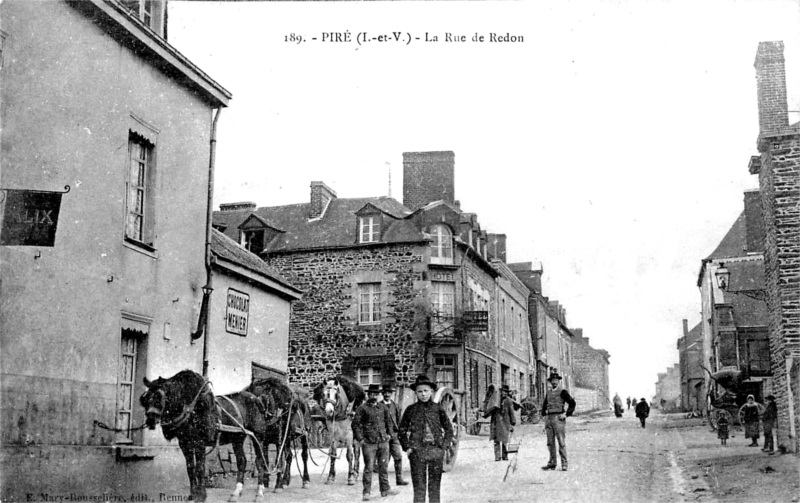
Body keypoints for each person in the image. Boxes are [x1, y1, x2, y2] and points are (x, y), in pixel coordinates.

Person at [398, 374, 454, 503]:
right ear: (416, 393)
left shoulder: (437, 409)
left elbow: (449, 429)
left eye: (426, 391)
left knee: (435, 488)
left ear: (431, 392)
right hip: (417, 452)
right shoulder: (411, 410)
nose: (423, 394)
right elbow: (401, 431)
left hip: (436, 451)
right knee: (419, 488)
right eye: (420, 392)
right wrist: (408, 448)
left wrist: (443, 447)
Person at [352, 384, 399, 501]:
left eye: (375, 394)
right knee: (369, 468)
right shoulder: (362, 408)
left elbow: (389, 422)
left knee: (383, 467)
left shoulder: (383, 408)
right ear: (368, 395)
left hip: (383, 442)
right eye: (371, 394)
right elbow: (355, 425)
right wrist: (361, 439)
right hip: (369, 443)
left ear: (378, 395)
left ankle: (385, 489)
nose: (373, 395)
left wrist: (389, 435)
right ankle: (366, 492)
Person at [540, 372, 576, 471]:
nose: (554, 382)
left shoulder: (563, 392)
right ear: (550, 382)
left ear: (558, 381)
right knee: (550, 442)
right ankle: (552, 463)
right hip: (549, 419)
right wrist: (544, 415)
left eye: (556, 380)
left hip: (558, 419)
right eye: (552, 380)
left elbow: (572, 403)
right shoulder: (548, 393)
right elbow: (544, 407)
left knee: (561, 441)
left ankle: (564, 463)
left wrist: (566, 414)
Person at [382, 384, 409, 485]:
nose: (387, 394)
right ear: (382, 394)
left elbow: (399, 421)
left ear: (392, 394)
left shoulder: (395, 406)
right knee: (384, 460)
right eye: (385, 393)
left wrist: (399, 433)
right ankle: (384, 483)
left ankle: (399, 479)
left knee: (398, 457)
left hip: (394, 437)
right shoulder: (379, 406)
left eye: (389, 393)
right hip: (384, 438)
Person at [490, 384, 516, 461]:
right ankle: (497, 456)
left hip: (505, 422)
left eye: (506, 392)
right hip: (496, 421)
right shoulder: (496, 400)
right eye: (503, 392)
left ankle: (505, 456)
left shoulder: (508, 401)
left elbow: (511, 412)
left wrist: (513, 422)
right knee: (496, 439)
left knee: (505, 439)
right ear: (501, 392)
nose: (504, 393)